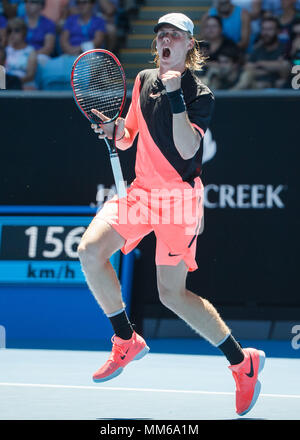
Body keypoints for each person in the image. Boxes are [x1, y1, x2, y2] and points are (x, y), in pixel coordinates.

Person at [78, 12, 266, 417]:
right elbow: (128, 137)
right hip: (142, 191)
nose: (166, 40)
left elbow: (185, 149)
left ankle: (241, 361)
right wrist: (114, 131)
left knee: (171, 294)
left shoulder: (200, 96)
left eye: (175, 36)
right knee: (90, 252)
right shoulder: (144, 80)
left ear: (188, 46)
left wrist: (176, 94)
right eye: (161, 34)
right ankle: (125, 339)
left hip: (179, 201)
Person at [245, 16, 291, 87]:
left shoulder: (286, 48)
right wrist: (274, 68)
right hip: (259, 90)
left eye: (270, 29)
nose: (265, 33)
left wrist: (260, 63)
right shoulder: (257, 49)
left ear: (278, 31)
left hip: (281, 90)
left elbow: (286, 68)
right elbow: (247, 68)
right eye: (263, 29)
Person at [4, 17, 37, 89]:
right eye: (9, 31)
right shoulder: (5, 50)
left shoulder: (31, 51)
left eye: (16, 30)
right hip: (6, 85)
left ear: (24, 32)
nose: (12, 34)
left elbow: (30, 76)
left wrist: (13, 83)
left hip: (24, 85)